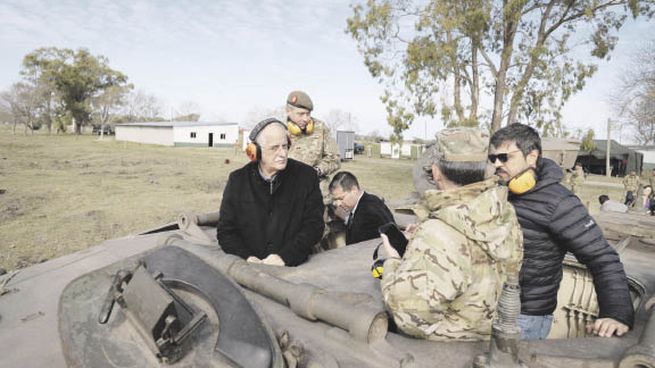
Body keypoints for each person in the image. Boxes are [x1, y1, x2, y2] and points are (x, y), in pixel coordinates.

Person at [489, 123, 634, 340]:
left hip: (525, 319)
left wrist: (616, 313)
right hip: (491, 310)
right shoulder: (498, 192)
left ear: (532, 156)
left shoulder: (559, 202)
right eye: (493, 159)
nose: (497, 164)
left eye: (504, 157)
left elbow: (603, 257)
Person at [379, 128, 523, 341]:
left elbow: (409, 318)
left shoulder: (438, 234)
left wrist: (393, 261)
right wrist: (422, 240)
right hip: (489, 342)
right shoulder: (503, 211)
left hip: (446, 352)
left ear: (436, 172)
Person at [217, 118, 324, 266]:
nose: (282, 154)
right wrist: (246, 257)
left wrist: (284, 257)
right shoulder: (237, 181)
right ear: (255, 152)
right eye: (274, 148)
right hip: (249, 268)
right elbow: (226, 231)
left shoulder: (306, 176)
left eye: (285, 146)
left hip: (295, 267)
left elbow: (314, 226)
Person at [285, 90, 340, 202]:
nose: (306, 119)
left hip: (317, 198)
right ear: (288, 111)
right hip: (288, 197)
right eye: (301, 114)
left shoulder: (320, 128)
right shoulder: (278, 130)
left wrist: (316, 171)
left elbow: (335, 159)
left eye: (308, 113)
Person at [328, 171, 395, 245]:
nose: (337, 204)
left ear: (354, 190)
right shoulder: (369, 200)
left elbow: (359, 243)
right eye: (335, 200)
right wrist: (346, 218)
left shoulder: (369, 213)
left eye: (341, 198)